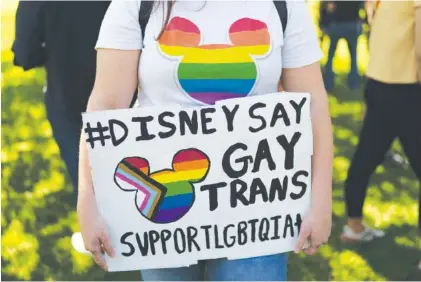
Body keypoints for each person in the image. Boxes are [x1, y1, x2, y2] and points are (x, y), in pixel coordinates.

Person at [77, 0, 333, 280]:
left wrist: (321, 199)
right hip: (164, 209)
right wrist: (87, 198)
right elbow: (106, 106)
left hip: (257, 211)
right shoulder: (137, 5)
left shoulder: (283, 5)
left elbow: (313, 105)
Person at [12, 1, 111, 253]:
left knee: (85, 173)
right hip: (129, 93)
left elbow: (26, 52)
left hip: (68, 97)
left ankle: (99, 238)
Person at [342, 0, 421, 262]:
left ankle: (353, 227)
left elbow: (376, 43)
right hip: (409, 90)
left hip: (377, 86)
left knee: (364, 159)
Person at [322, 1, 364, 92]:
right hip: (352, 24)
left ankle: (328, 83)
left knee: (331, 55)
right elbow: (362, 5)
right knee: (353, 56)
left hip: (337, 23)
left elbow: (329, 7)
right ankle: (353, 83)